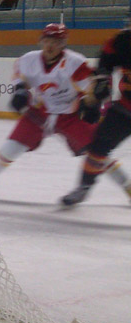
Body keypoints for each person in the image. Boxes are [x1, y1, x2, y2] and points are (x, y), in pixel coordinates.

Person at [0, 24, 131, 196]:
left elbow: (92, 88)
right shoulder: (28, 59)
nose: (51, 46)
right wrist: (20, 91)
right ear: (41, 41)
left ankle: (127, 185)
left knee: (97, 151)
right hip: (38, 113)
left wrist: (90, 104)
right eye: (47, 40)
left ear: (64, 43)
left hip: (70, 117)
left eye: (56, 42)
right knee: (12, 145)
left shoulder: (75, 63)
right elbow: (21, 80)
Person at [62, 27, 131, 205]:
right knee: (99, 144)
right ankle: (84, 186)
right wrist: (95, 97)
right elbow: (104, 67)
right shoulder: (122, 40)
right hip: (127, 107)